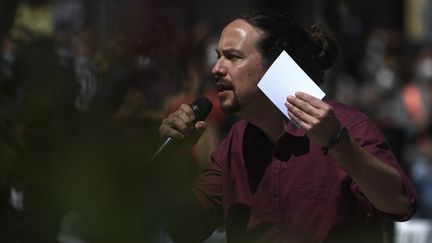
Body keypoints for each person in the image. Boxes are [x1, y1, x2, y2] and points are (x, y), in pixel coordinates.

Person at [157, 10, 417, 243]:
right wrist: (174, 160)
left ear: (277, 66)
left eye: (233, 57)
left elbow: (400, 204)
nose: (217, 68)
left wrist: (340, 145)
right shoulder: (236, 142)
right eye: (218, 57)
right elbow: (186, 231)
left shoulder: (347, 125)